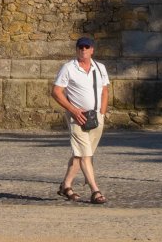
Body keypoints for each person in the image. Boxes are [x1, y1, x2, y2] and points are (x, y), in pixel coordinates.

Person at [51, 35, 110, 204]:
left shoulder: (100, 68)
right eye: (80, 47)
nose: (83, 50)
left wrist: (102, 113)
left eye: (86, 47)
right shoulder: (69, 68)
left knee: (80, 154)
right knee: (85, 155)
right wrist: (73, 110)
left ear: (92, 50)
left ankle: (66, 186)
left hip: (96, 117)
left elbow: (105, 91)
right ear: (77, 50)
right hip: (77, 118)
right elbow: (56, 92)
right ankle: (95, 191)